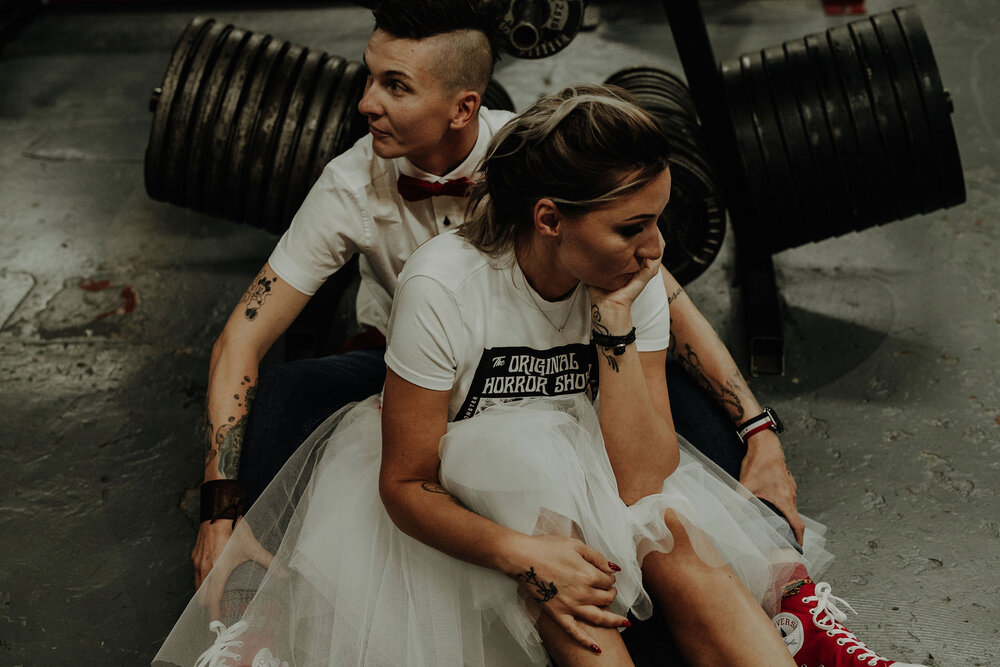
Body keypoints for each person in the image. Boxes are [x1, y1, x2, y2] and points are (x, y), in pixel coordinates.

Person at [157, 86, 927, 667]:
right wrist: (525, 556)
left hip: (580, 458)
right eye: (633, 226)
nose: (657, 246)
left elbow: (644, 479)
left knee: (681, 538)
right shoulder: (444, 284)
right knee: (551, 538)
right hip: (456, 487)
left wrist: (618, 321)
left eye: (658, 218)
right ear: (551, 218)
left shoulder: (634, 277)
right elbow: (405, 483)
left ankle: (793, 634)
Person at [193, 0, 804, 599]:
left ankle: (784, 591)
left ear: (465, 107)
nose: (366, 103)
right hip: (417, 377)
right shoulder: (350, 184)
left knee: (687, 437)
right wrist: (219, 510)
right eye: (370, 76)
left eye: (395, 86)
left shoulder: (539, 157)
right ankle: (258, 588)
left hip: (559, 367)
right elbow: (240, 337)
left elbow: (660, 292)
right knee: (284, 395)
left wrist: (759, 430)